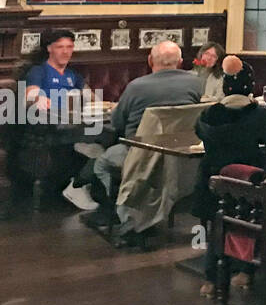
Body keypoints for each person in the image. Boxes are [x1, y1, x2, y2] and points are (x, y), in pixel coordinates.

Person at [84, 40, 201, 234]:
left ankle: (119, 214)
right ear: (180, 62)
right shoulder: (196, 83)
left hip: (138, 154)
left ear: (150, 61)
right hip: (180, 158)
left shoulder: (136, 87)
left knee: (101, 163)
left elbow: (117, 123)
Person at [194, 56, 266, 297]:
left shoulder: (207, 115)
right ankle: (245, 271)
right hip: (248, 185)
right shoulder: (260, 115)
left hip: (211, 183)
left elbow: (199, 133)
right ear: (250, 85)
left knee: (218, 226)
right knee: (249, 224)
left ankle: (210, 280)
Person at [22, 31, 96, 210]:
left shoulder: (73, 75)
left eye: (69, 47)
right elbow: (30, 94)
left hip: (76, 121)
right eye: (60, 47)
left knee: (106, 137)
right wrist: (39, 97)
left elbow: (92, 98)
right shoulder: (39, 71)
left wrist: (89, 98)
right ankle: (77, 185)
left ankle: (83, 184)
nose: (65, 51)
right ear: (49, 49)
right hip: (51, 124)